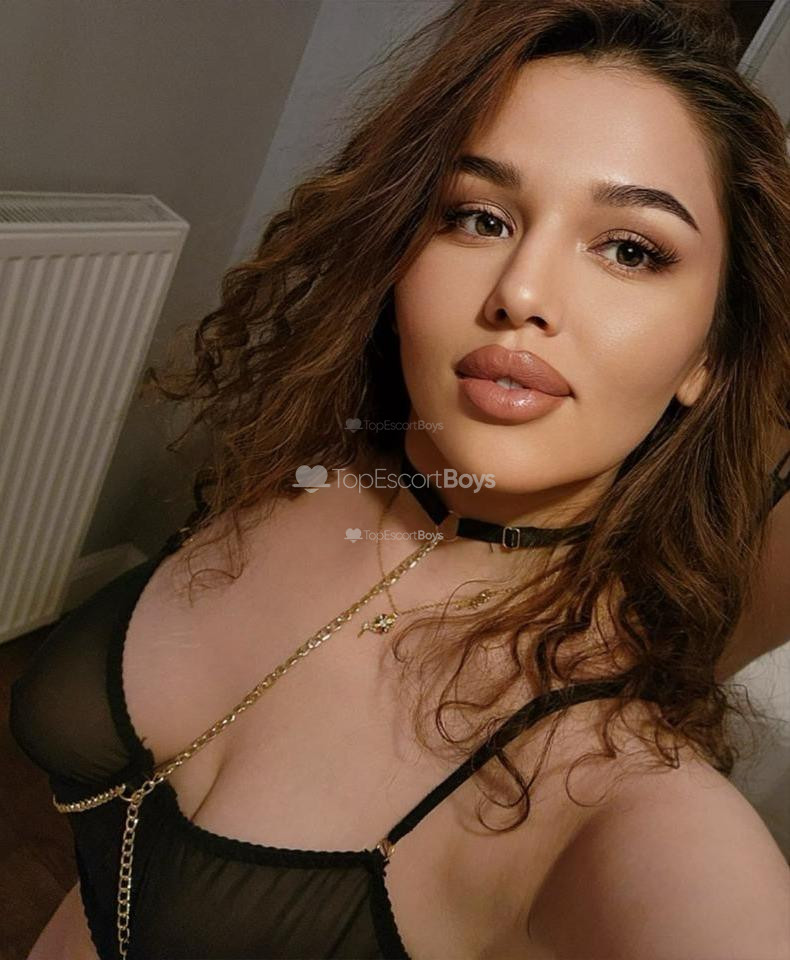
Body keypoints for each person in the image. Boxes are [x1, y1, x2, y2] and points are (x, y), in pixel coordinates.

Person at [10, 1, 790, 958]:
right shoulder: (307, 467)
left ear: (710, 354)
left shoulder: (611, 781)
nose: (521, 292)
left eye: (630, 249)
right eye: (478, 217)